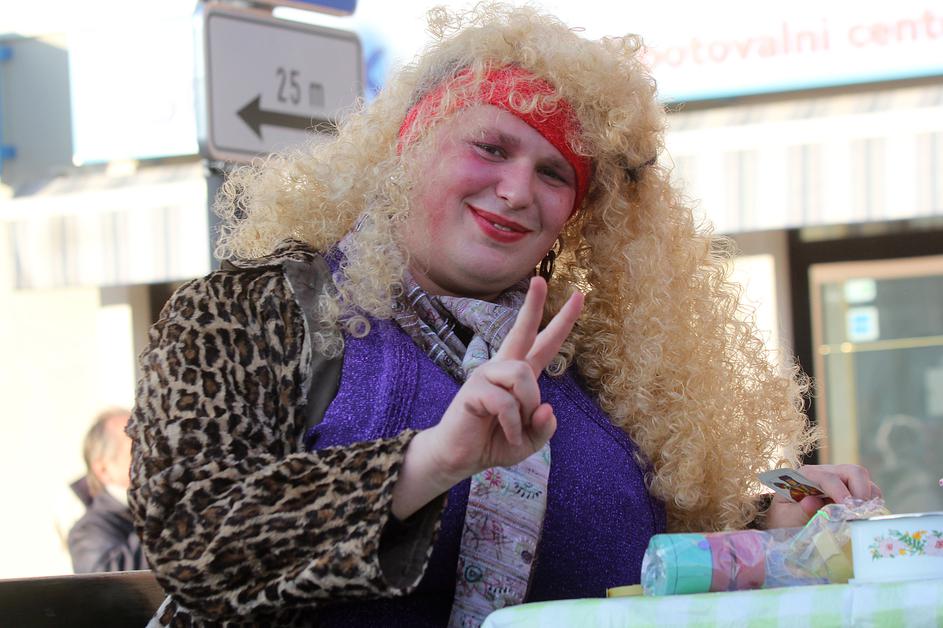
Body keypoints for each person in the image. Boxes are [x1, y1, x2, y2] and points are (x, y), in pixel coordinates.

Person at [127, 4, 881, 626]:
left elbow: (652, 569)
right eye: (490, 147)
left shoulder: (604, 369)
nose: (517, 190)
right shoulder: (254, 309)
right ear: (409, 145)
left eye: (554, 173)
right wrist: (430, 462)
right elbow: (194, 540)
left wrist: (773, 534)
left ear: (572, 217)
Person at [68, 407, 147, 573]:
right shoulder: (88, 531)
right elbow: (108, 582)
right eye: (138, 449)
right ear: (103, 470)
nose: (154, 454)